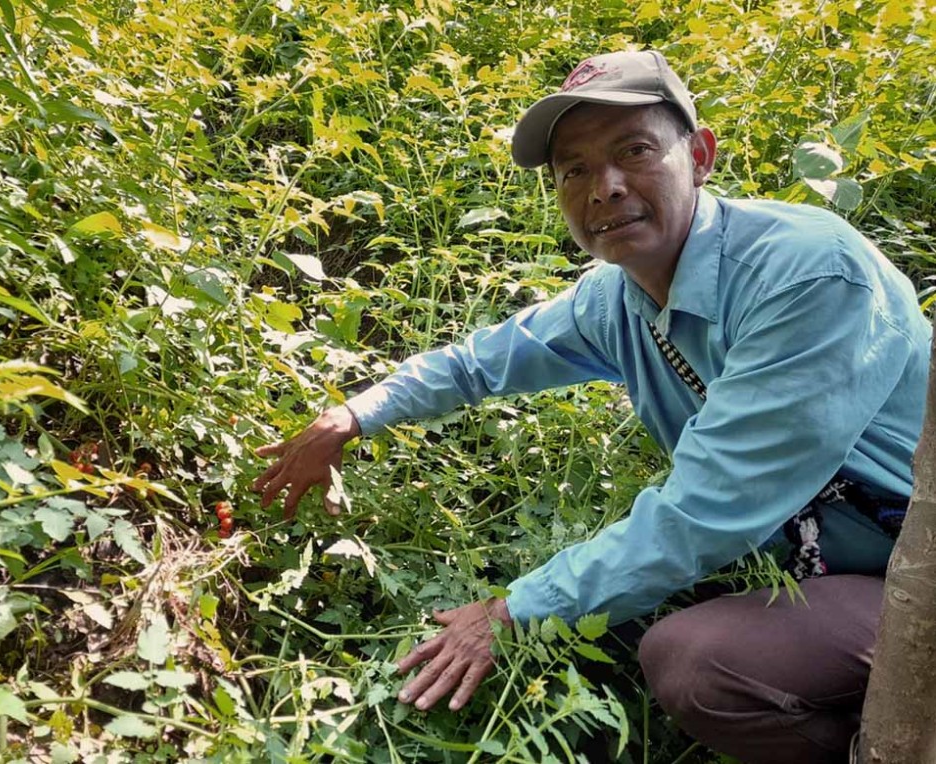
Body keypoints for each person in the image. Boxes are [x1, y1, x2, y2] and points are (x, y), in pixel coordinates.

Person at [252, 50, 931, 763]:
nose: (603, 188)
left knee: (695, 661)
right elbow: (481, 361)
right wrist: (354, 415)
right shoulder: (617, 299)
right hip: (827, 564)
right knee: (606, 622)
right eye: (573, 170)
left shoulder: (806, 275)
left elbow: (708, 510)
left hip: (917, 571)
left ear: (699, 156)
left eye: (634, 151)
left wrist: (512, 612)